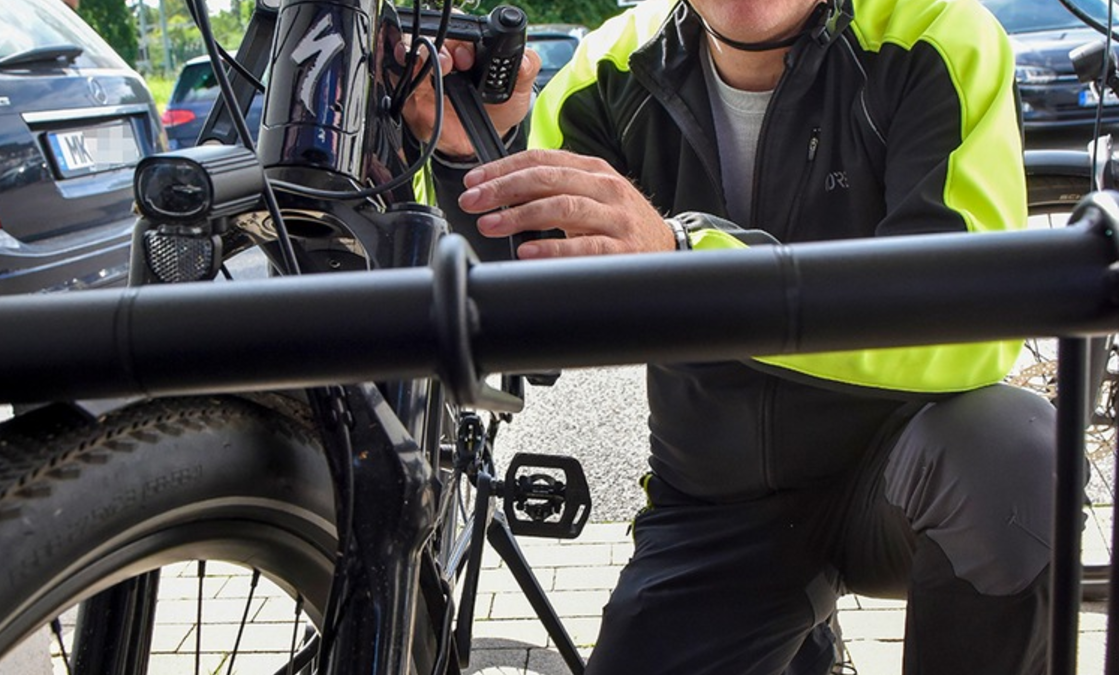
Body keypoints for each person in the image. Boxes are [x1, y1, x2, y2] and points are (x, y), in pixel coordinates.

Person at [404, 0, 1053, 672]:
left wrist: (687, 258)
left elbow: (974, 317)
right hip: (716, 506)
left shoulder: (938, 33)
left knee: (1013, 444)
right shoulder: (611, 63)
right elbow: (529, 305)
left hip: (892, 482)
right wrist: (468, 150)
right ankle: (802, 643)